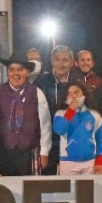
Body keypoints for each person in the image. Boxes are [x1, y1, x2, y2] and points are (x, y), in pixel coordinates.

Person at [0, 56, 52, 176]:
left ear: (27, 72)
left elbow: (45, 125)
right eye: (12, 69)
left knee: (29, 191)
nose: (15, 73)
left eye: (20, 69)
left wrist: (44, 152)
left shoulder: (37, 93)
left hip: (29, 151)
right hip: (1, 152)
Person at [35, 44, 83, 174]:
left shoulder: (78, 83)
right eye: (57, 60)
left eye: (65, 60)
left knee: (72, 180)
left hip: (71, 139)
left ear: (72, 63)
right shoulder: (41, 82)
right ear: (51, 61)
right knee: (46, 178)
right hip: (48, 139)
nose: (61, 64)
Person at [52, 82, 102, 175]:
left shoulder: (94, 115)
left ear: (84, 94)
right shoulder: (60, 113)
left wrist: (100, 162)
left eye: (76, 92)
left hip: (90, 161)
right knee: (69, 189)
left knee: (90, 189)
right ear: (65, 97)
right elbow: (59, 130)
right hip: (68, 161)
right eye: (69, 93)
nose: (73, 96)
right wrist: (70, 111)